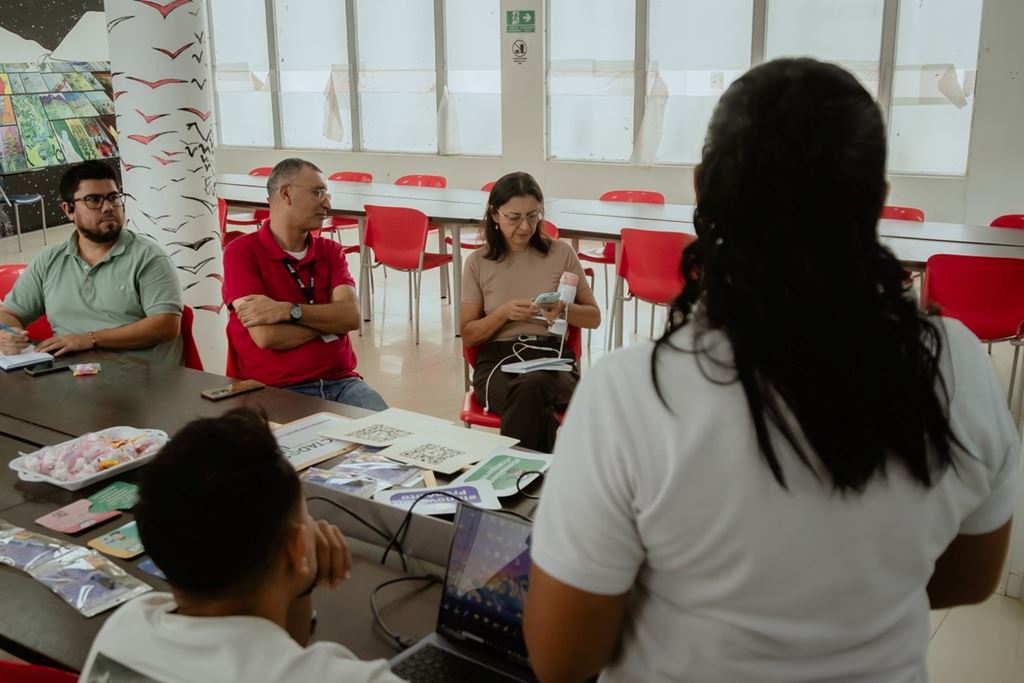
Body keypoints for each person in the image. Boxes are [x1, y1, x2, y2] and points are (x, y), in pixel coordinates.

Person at [524, 58, 1020, 683]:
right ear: (878, 201)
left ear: (702, 189)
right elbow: (969, 578)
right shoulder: (954, 364)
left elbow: (562, 659)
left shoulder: (632, 392)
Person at [78, 408, 404, 683]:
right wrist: (299, 565)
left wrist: (299, 578)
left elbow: (277, 652)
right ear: (295, 546)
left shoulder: (128, 626)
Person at [222, 158, 386, 410]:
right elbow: (267, 336)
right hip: (277, 389)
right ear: (286, 193)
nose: (327, 204)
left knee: (389, 432)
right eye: (318, 192)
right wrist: (330, 325)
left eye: (327, 194)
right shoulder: (241, 253)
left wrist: (288, 311)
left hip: (343, 383)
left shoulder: (330, 251)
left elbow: (351, 317)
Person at [460, 172, 600, 452]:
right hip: (498, 362)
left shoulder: (561, 253)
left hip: (553, 360)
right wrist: (502, 314)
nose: (525, 227)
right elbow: (469, 335)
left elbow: (594, 318)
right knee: (533, 402)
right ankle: (540, 473)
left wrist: (563, 309)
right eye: (514, 217)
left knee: (532, 388)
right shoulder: (478, 263)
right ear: (495, 215)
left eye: (533, 216)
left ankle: (516, 472)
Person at [0, 160, 182, 364]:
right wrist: (6, 334)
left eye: (113, 197)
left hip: (140, 375)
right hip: (67, 373)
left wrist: (90, 339)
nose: (108, 207)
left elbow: (166, 325)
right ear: (69, 210)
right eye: (94, 200)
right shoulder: (50, 260)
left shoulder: (149, 257)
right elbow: (9, 312)